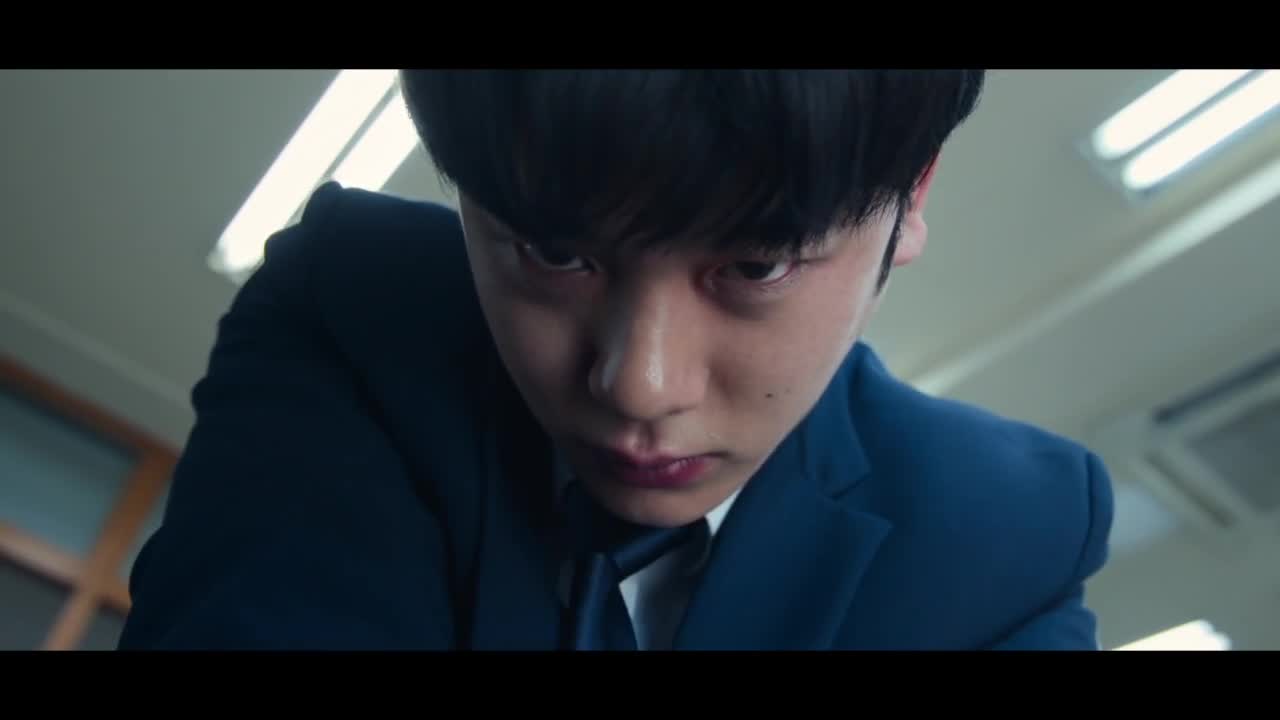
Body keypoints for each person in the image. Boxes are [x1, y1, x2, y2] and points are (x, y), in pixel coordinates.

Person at [117, 69, 1114, 651]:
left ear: (912, 196)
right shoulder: (353, 311)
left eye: (756, 265)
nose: (637, 385)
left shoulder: (1012, 538)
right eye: (554, 253)